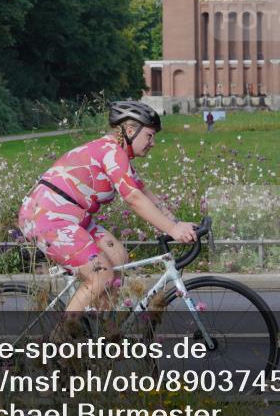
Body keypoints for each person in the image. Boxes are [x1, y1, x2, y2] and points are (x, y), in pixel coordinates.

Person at [18, 101, 197, 319]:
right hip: (46, 217)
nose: (153, 143)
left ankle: (104, 330)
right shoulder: (111, 152)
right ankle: (62, 339)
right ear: (131, 131)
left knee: (117, 256)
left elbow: (145, 194)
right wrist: (173, 229)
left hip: (72, 218)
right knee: (101, 275)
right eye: (150, 136)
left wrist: (178, 224)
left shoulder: (117, 155)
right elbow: (133, 198)